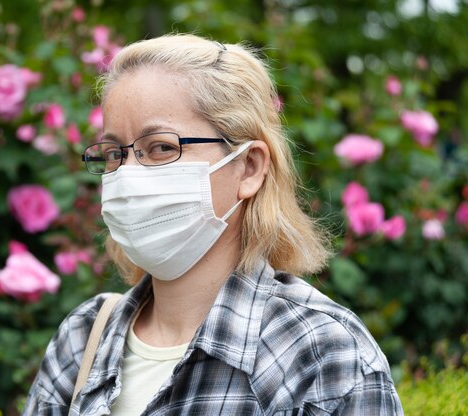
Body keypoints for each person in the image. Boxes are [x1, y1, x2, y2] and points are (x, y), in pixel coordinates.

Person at [22, 34, 404, 415]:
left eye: (162, 148)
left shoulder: (324, 355)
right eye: (113, 153)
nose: (127, 174)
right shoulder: (84, 336)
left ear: (249, 167)